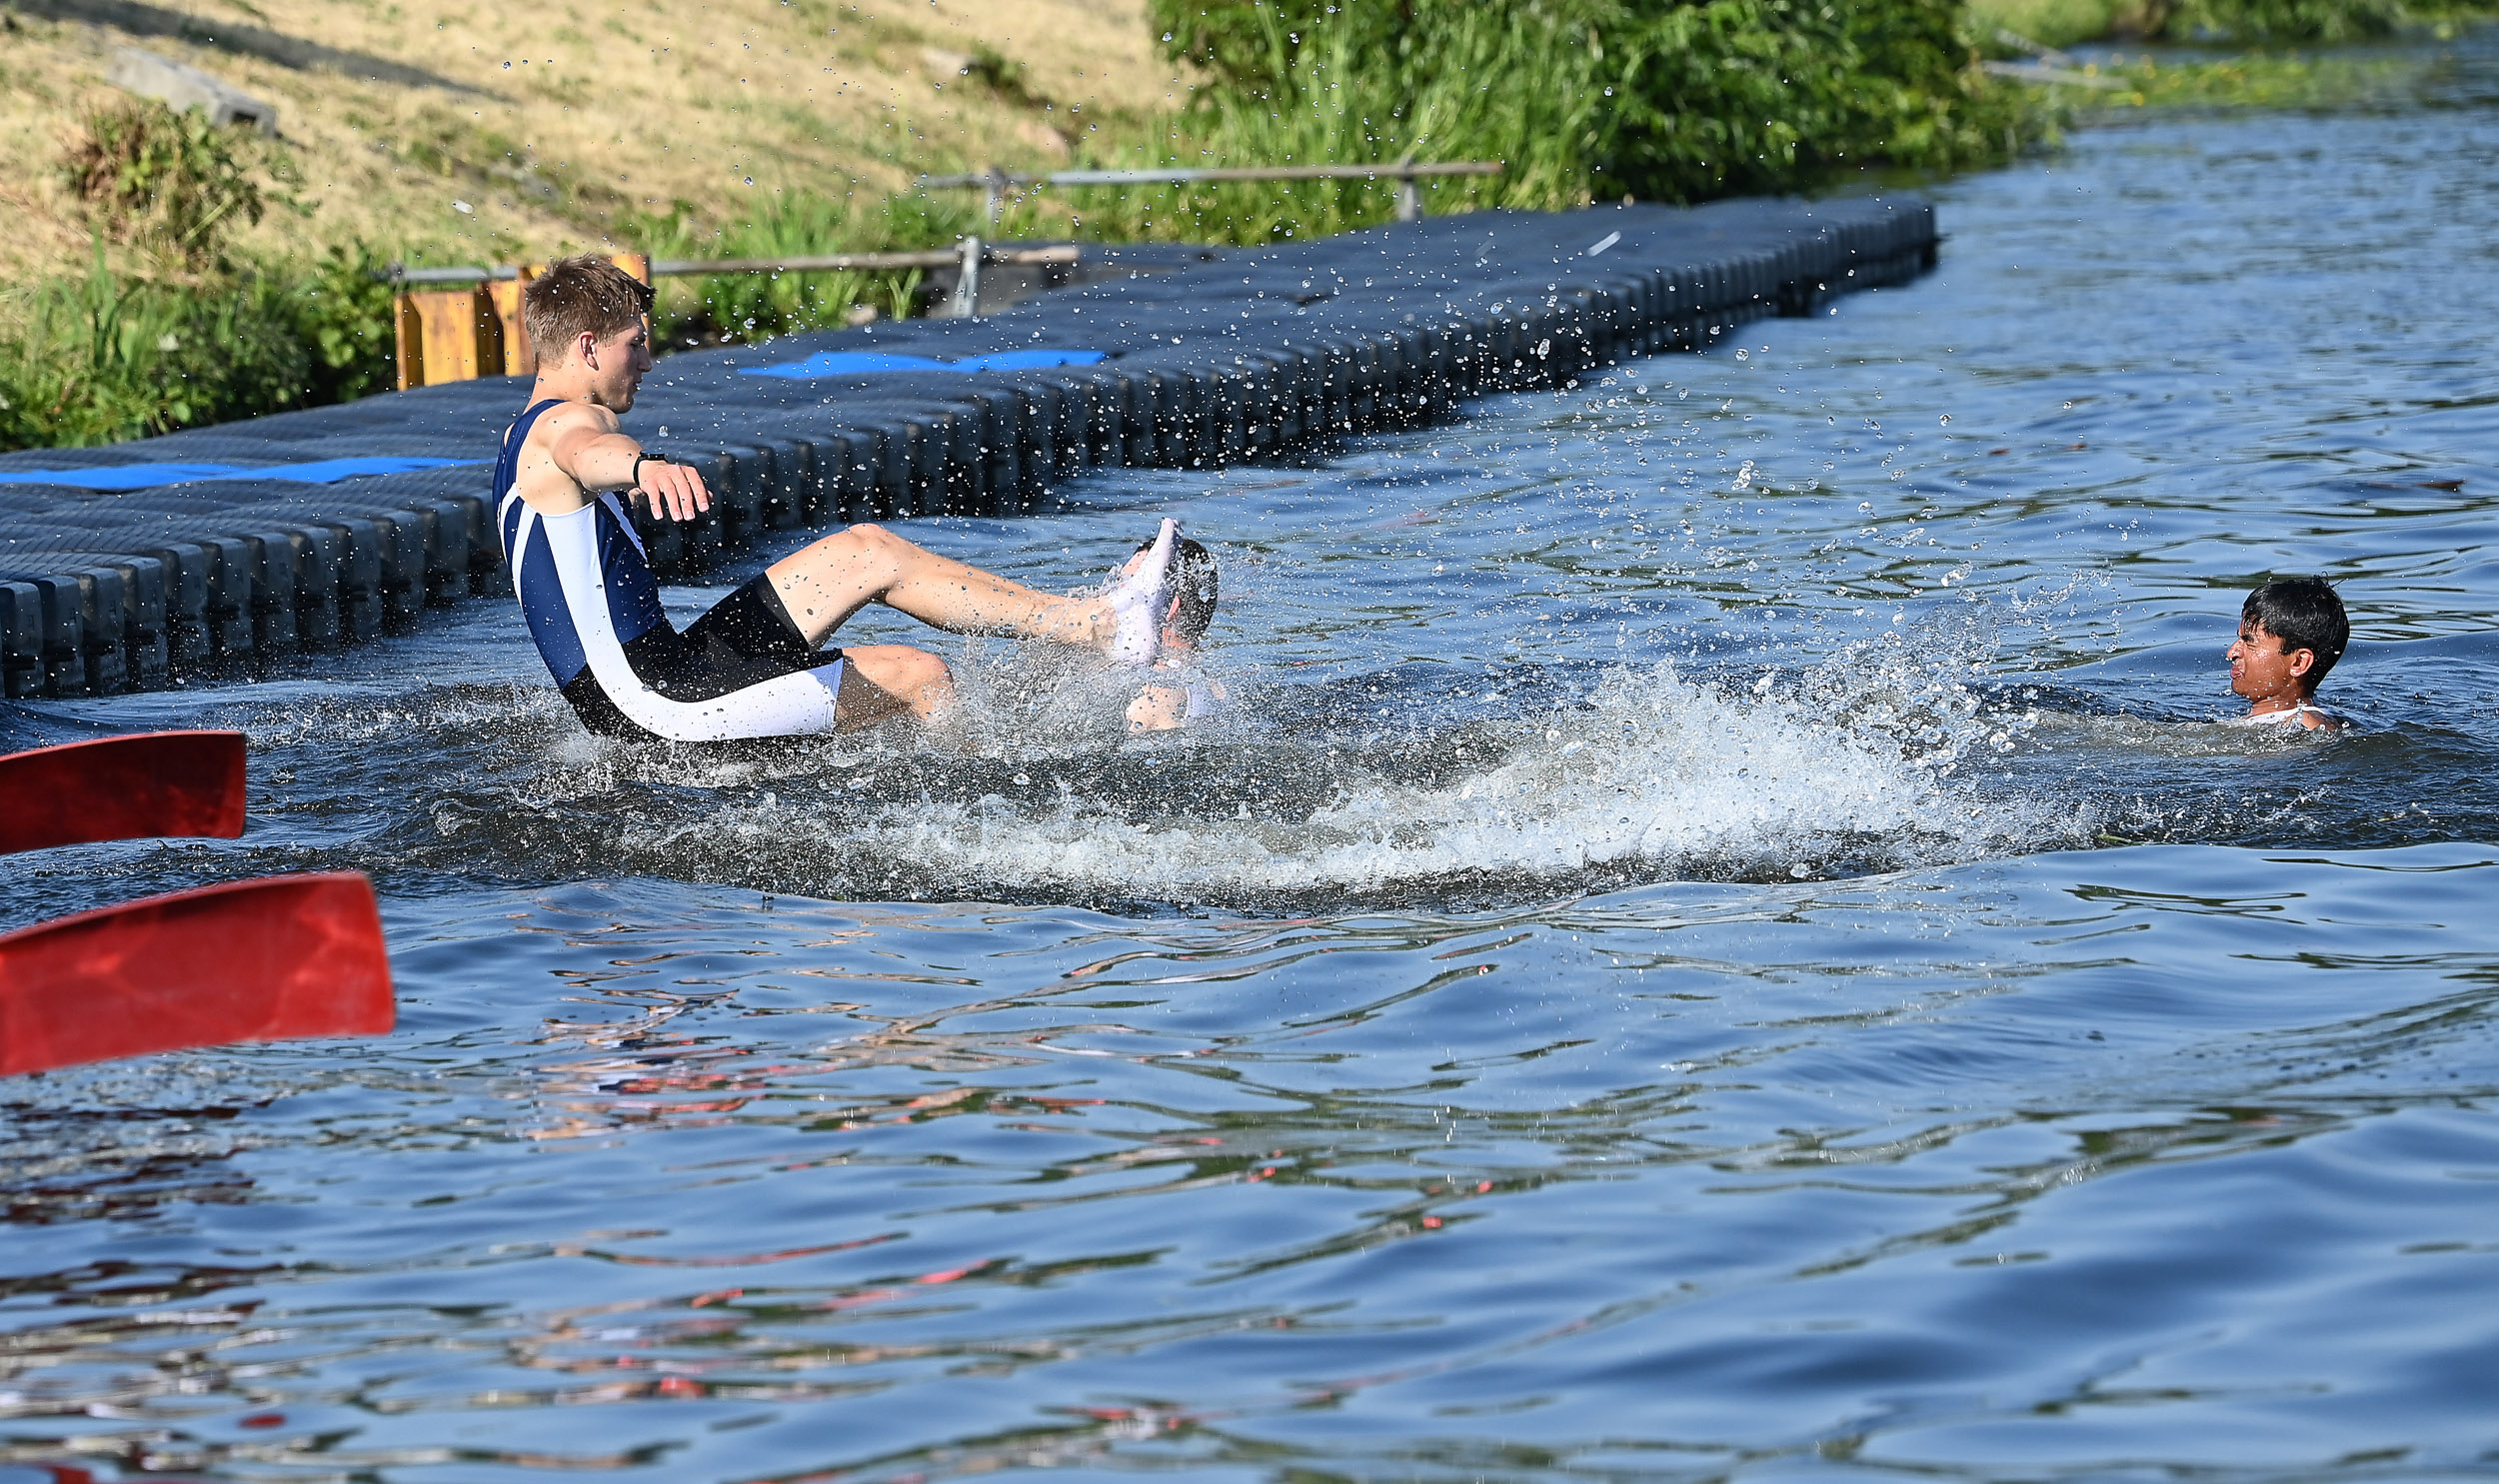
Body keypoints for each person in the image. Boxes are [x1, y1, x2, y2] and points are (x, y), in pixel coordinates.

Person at [494, 255, 1177, 742]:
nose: (647, 362)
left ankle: (1096, 625)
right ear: (588, 347)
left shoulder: (519, 435)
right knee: (919, 675)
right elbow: (585, 450)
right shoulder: (564, 425)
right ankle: (991, 810)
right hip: (648, 706)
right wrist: (643, 467)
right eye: (635, 345)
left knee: (868, 550)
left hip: (674, 663)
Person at [1122, 535, 1229, 734]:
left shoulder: (1160, 692)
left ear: (1171, 606)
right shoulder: (1213, 685)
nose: (1113, 603)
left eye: (1130, 592)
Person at [2225, 576, 2348, 731]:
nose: (2232, 653)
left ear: (2298, 662)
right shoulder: (2274, 721)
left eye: (2249, 642)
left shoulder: (2307, 724)